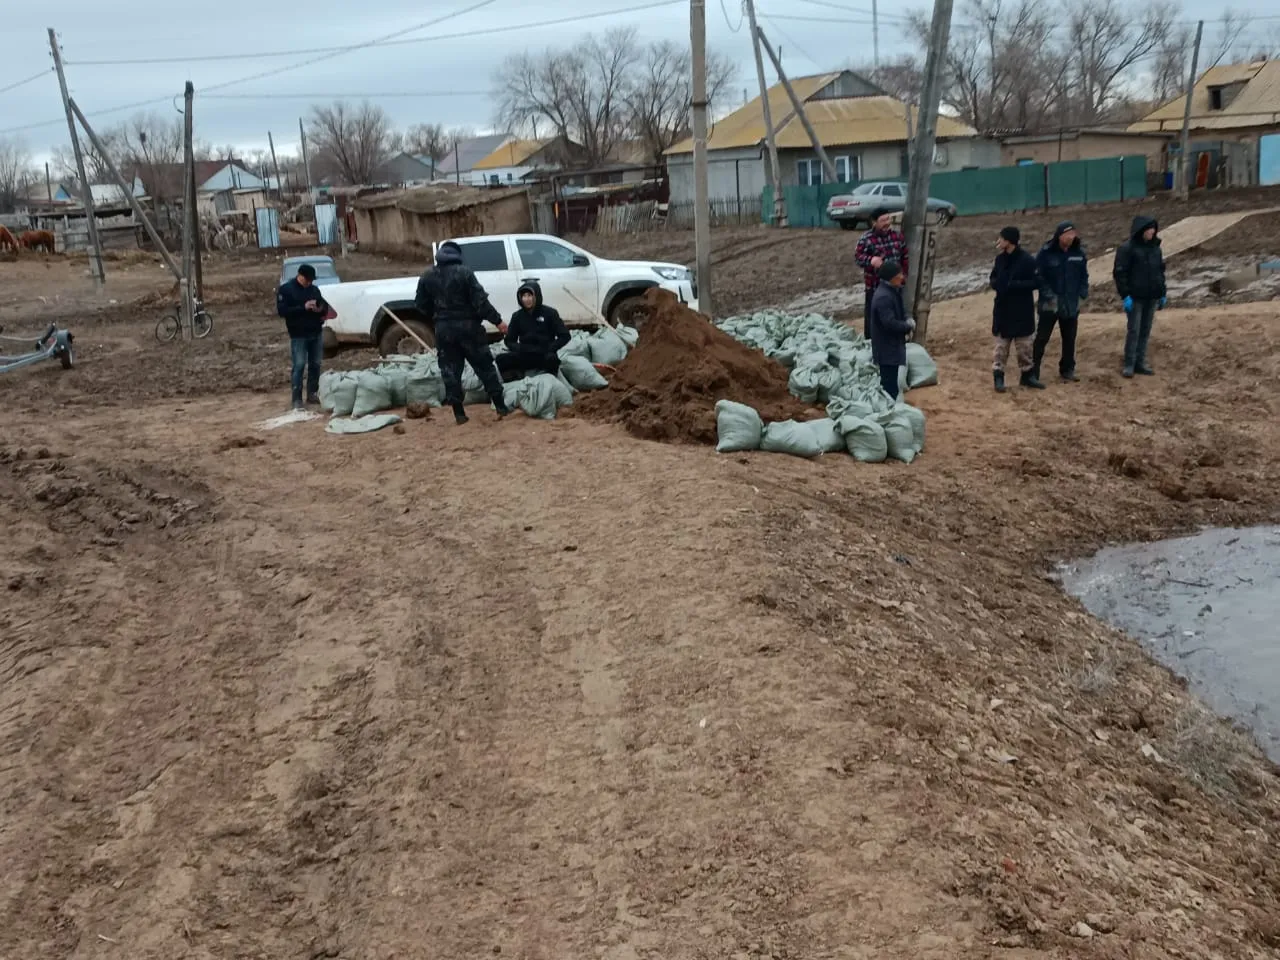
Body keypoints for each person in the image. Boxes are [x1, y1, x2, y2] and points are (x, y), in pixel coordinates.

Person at [414, 241, 511, 424]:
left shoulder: (427, 276)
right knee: (484, 366)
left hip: (444, 330)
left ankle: (459, 414)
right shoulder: (464, 273)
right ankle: (501, 407)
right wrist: (497, 321)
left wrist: (438, 317)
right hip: (469, 328)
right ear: (457, 255)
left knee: (450, 371)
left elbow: (420, 305)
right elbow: (481, 302)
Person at [990, 226, 1044, 393]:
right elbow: (993, 278)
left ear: (1009, 241)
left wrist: (1015, 286)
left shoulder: (1027, 260)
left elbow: (1037, 282)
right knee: (1001, 348)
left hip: (1022, 311)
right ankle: (998, 377)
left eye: (1001, 238)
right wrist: (998, 285)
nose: (998, 241)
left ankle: (1027, 376)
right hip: (1003, 310)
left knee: (1025, 347)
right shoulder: (1000, 260)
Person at [1033, 220, 1089, 383]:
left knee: (1070, 337)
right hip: (1049, 303)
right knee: (1042, 337)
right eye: (1068, 234)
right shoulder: (1046, 253)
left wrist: (1082, 293)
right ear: (1060, 235)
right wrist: (1049, 296)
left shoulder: (1078, 253)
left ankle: (1067, 369)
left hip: (1071, 302)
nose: (1071, 237)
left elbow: (1083, 276)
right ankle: (1032, 370)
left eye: (1073, 234)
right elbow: (1039, 277)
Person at [1112, 215, 1166, 378]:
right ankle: (1129, 363)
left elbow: (1160, 272)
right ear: (1141, 230)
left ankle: (1140, 362)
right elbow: (1120, 273)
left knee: (1145, 330)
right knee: (1134, 330)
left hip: (1151, 296)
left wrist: (1162, 292)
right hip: (1135, 297)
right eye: (1149, 229)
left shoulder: (1156, 248)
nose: (1152, 232)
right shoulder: (1127, 249)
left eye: (1154, 229)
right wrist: (1125, 295)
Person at [275, 262, 330, 410]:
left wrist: (319, 309)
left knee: (315, 364)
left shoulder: (314, 290)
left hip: (315, 332)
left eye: (311, 280)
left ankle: (312, 393)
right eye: (308, 280)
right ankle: (296, 398)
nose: (310, 283)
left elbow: (324, 307)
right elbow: (282, 311)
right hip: (298, 334)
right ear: (300, 276)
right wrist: (303, 308)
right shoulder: (286, 290)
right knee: (299, 365)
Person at [497, 280, 571, 381]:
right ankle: (516, 378)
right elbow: (509, 340)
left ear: (537, 296)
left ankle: (550, 380)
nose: (527, 299)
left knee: (552, 360)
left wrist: (550, 348)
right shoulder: (517, 316)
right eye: (524, 296)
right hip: (525, 353)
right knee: (501, 360)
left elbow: (565, 336)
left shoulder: (550, 313)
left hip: (544, 353)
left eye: (530, 295)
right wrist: (520, 348)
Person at [854, 208, 909, 338]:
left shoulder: (897, 236)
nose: (886, 223)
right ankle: (871, 344)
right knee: (874, 320)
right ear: (874, 222)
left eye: (888, 219)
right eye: (883, 220)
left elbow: (905, 257)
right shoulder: (866, 239)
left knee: (895, 316)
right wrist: (870, 260)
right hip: (875, 287)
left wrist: (904, 276)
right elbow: (858, 257)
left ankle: (897, 341)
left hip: (895, 287)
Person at [868, 259, 914, 400]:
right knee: (889, 387)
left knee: (891, 384)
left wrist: (907, 318)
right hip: (886, 349)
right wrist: (908, 326)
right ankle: (889, 414)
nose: (902, 277)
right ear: (892, 277)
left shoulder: (891, 291)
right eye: (899, 274)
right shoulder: (884, 297)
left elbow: (900, 310)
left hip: (890, 347)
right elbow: (889, 323)